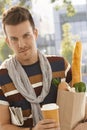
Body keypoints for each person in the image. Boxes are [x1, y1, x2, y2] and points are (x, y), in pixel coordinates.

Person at [0, 6, 72, 130]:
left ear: (35, 33)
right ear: (8, 42)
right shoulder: (2, 77)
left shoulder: (61, 66)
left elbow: (80, 107)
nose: (21, 44)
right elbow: (3, 126)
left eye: (26, 35)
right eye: (14, 39)